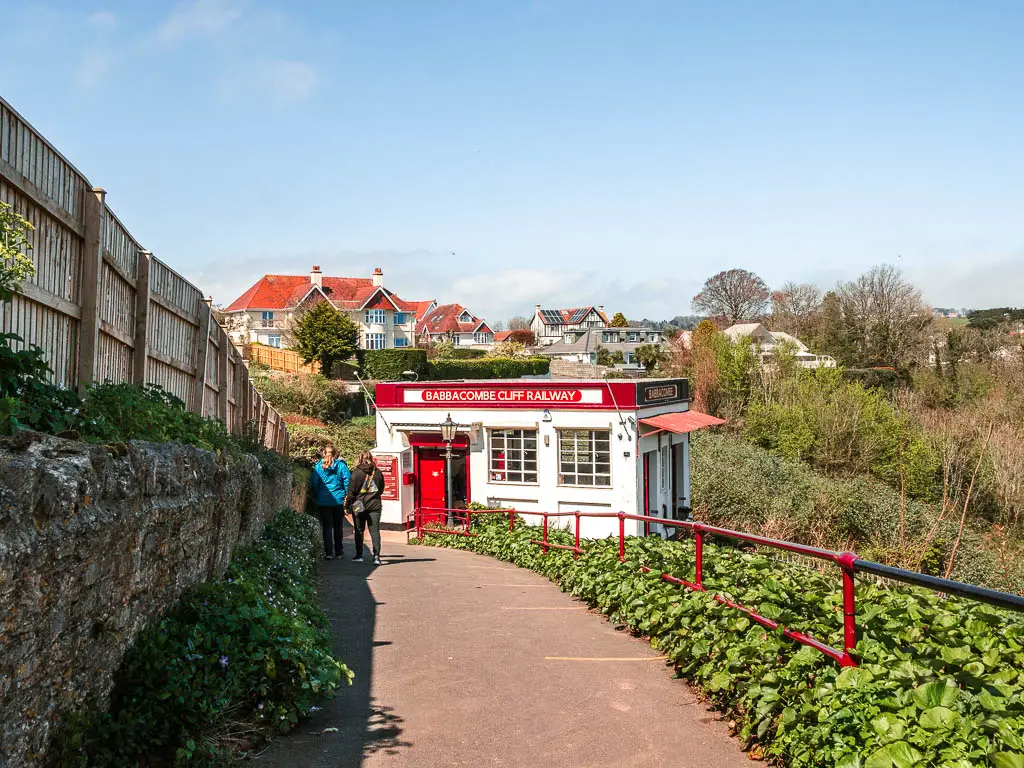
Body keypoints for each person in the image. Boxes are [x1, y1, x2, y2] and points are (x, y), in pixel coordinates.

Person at [308, 443, 351, 560]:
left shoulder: (318, 466)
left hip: (323, 500)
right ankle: (339, 552)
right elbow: (347, 481)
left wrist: (318, 494)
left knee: (327, 527)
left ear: (324, 453)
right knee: (338, 526)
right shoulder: (341, 466)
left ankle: (328, 553)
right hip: (338, 500)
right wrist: (347, 495)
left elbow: (315, 482)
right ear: (335, 453)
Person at [346, 451, 385, 565]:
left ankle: (359, 555)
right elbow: (381, 489)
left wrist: (347, 505)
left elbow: (351, 492)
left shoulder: (356, 473)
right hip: (375, 505)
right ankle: (376, 557)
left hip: (359, 506)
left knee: (359, 530)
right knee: (375, 531)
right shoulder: (377, 472)